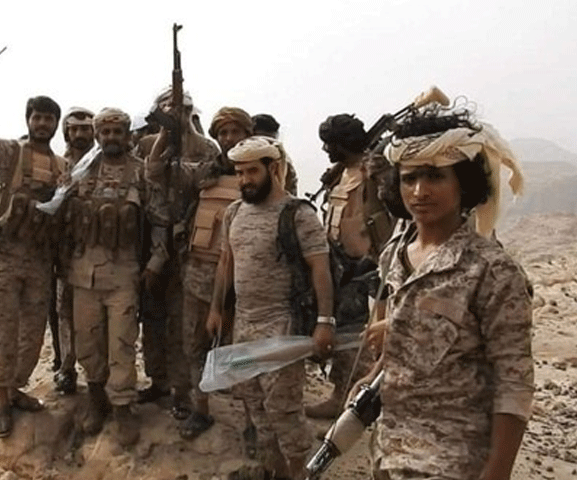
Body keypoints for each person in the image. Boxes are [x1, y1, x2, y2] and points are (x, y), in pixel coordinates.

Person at [355, 106, 533, 480]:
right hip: (389, 451)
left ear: (463, 182)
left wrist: (497, 471)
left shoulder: (492, 270)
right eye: (409, 178)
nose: (419, 191)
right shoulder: (394, 256)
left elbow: (514, 381)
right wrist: (374, 373)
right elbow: (408, 337)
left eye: (435, 176)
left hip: (453, 461)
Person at [206, 136, 335, 480]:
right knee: (253, 402)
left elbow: (320, 268)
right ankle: (273, 470)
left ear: (273, 168)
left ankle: (300, 473)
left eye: (252, 171)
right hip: (244, 327)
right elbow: (226, 264)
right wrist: (216, 309)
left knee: (283, 410)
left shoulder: (298, 214)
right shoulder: (234, 212)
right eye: (239, 173)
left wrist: (325, 321)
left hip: (282, 327)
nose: (245, 180)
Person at [0, 76, 67, 437]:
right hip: (7, 256)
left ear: (56, 124)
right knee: (5, 331)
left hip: (40, 259)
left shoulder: (61, 166)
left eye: (49, 119)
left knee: (33, 334)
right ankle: (3, 401)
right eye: (37, 117)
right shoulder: (11, 154)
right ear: (28, 120)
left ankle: (16, 387)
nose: (43, 124)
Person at [146, 106, 248, 441]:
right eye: (223, 133)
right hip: (198, 274)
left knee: (241, 352)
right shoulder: (206, 170)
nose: (229, 139)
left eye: (235, 132)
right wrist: (169, 130)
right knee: (194, 345)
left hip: (243, 280)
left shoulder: (261, 172)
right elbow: (156, 170)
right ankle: (201, 409)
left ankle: (251, 420)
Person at [61, 107, 159, 447]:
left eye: (118, 132)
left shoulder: (141, 172)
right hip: (83, 273)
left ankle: (122, 406)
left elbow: (158, 218)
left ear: (127, 135)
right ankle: (96, 398)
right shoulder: (81, 169)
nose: (111, 138)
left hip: (123, 274)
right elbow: (63, 215)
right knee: (87, 341)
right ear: (98, 135)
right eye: (105, 132)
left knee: (121, 343)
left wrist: (156, 262)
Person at [304, 113, 395, 419]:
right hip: (339, 264)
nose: (325, 150)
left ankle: (355, 399)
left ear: (343, 144)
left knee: (358, 337)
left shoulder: (372, 171)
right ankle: (343, 394)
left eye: (329, 143)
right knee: (344, 333)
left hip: (368, 267)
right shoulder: (340, 175)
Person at [136, 87, 217, 418]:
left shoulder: (206, 148)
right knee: (152, 318)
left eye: (182, 109)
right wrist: (164, 137)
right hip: (151, 241)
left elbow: (206, 186)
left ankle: (182, 391)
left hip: (188, 244)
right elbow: (149, 175)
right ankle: (158, 380)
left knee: (184, 323)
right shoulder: (146, 145)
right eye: (170, 109)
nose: (177, 115)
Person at [53, 106, 95, 396]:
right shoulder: (57, 165)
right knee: (64, 311)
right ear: (67, 132)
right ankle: (66, 368)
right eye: (74, 129)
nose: (79, 134)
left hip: (96, 249)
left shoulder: (102, 162)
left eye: (85, 128)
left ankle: (97, 375)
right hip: (64, 251)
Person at [250, 113, 298, 196]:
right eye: (261, 142)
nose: (266, 147)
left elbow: (289, 196)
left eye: (270, 142)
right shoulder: (235, 163)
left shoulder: (284, 167)